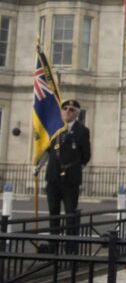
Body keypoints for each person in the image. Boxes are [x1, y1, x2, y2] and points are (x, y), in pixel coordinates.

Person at [44, 99, 91, 253]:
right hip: (53, 178)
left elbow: (86, 155)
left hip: (70, 180)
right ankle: (53, 246)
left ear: (76, 113)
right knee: (53, 214)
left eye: (71, 109)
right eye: (65, 109)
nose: (67, 112)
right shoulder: (54, 129)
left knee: (70, 214)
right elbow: (47, 151)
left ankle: (70, 248)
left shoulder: (82, 130)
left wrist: (74, 168)